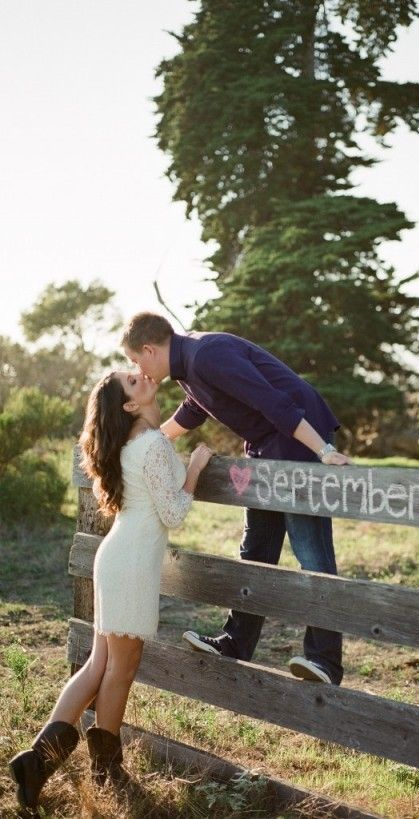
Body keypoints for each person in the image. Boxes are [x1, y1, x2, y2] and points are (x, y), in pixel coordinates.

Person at [8, 370, 212, 814]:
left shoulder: (138, 441)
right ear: (129, 406)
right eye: (133, 382)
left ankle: (39, 762)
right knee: (121, 666)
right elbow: (174, 513)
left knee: (102, 663)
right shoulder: (152, 444)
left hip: (117, 556)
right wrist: (195, 468)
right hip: (131, 560)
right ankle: (99, 768)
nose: (142, 377)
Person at [121, 312, 352, 687]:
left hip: (297, 437)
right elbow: (195, 410)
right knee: (256, 548)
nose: (138, 370)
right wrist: (149, 440)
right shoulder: (188, 367)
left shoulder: (207, 354)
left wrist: (323, 450)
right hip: (265, 444)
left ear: (148, 350)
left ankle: (325, 662)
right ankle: (236, 642)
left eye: (135, 362)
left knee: (311, 551)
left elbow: (271, 401)